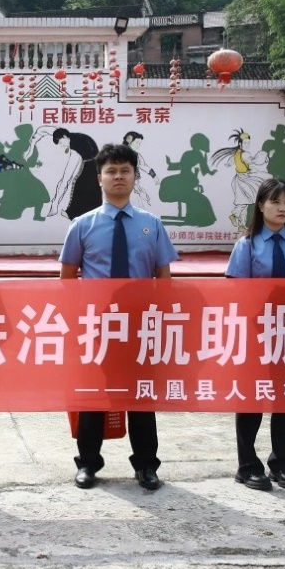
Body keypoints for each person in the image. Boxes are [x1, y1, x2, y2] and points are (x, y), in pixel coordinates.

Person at [59, 142, 177, 491]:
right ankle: (88, 464)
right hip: (98, 325)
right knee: (93, 395)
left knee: (141, 395)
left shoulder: (151, 224)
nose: (118, 176)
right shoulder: (82, 225)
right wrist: (76, 321)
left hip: (140, 325)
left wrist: (161, 320)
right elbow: (67, 278)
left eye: (125, 170)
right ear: (100, 178)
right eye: (111, 171)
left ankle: (146, 465)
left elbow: (163, 276)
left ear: (135, 177)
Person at [224, 178, 285, 492]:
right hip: (255, 331)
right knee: (251, 398)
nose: (282, 208)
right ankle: (247, 466)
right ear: (260, 205)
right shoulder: (247, 245)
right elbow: (237, 291)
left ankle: (282, 464)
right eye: (275, 202)